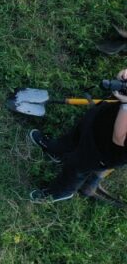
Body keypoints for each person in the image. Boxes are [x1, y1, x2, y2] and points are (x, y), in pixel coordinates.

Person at [28, 68, 127, 202]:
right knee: (76, 135)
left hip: (103, 150)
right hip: (101, 120)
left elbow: (120, 138)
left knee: (77, 168)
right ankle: (57, 151)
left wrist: (126, 104)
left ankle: (61, 192)